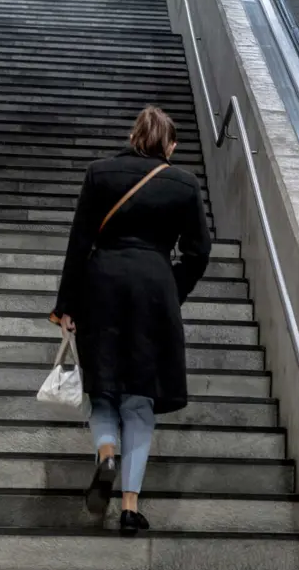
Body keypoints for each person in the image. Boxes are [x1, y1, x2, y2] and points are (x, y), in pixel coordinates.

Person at [51, 105, 211, 536]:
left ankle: (106, 451)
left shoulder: (99, 174)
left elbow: (80, 241)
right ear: (170, 146)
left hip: (101, 286)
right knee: (139, 399)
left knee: (103, 391)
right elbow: (199, 253)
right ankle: (129, 505)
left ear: (133, 136)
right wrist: (170, 288)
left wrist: (67, 305)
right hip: (154, 290)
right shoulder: (184, 183)